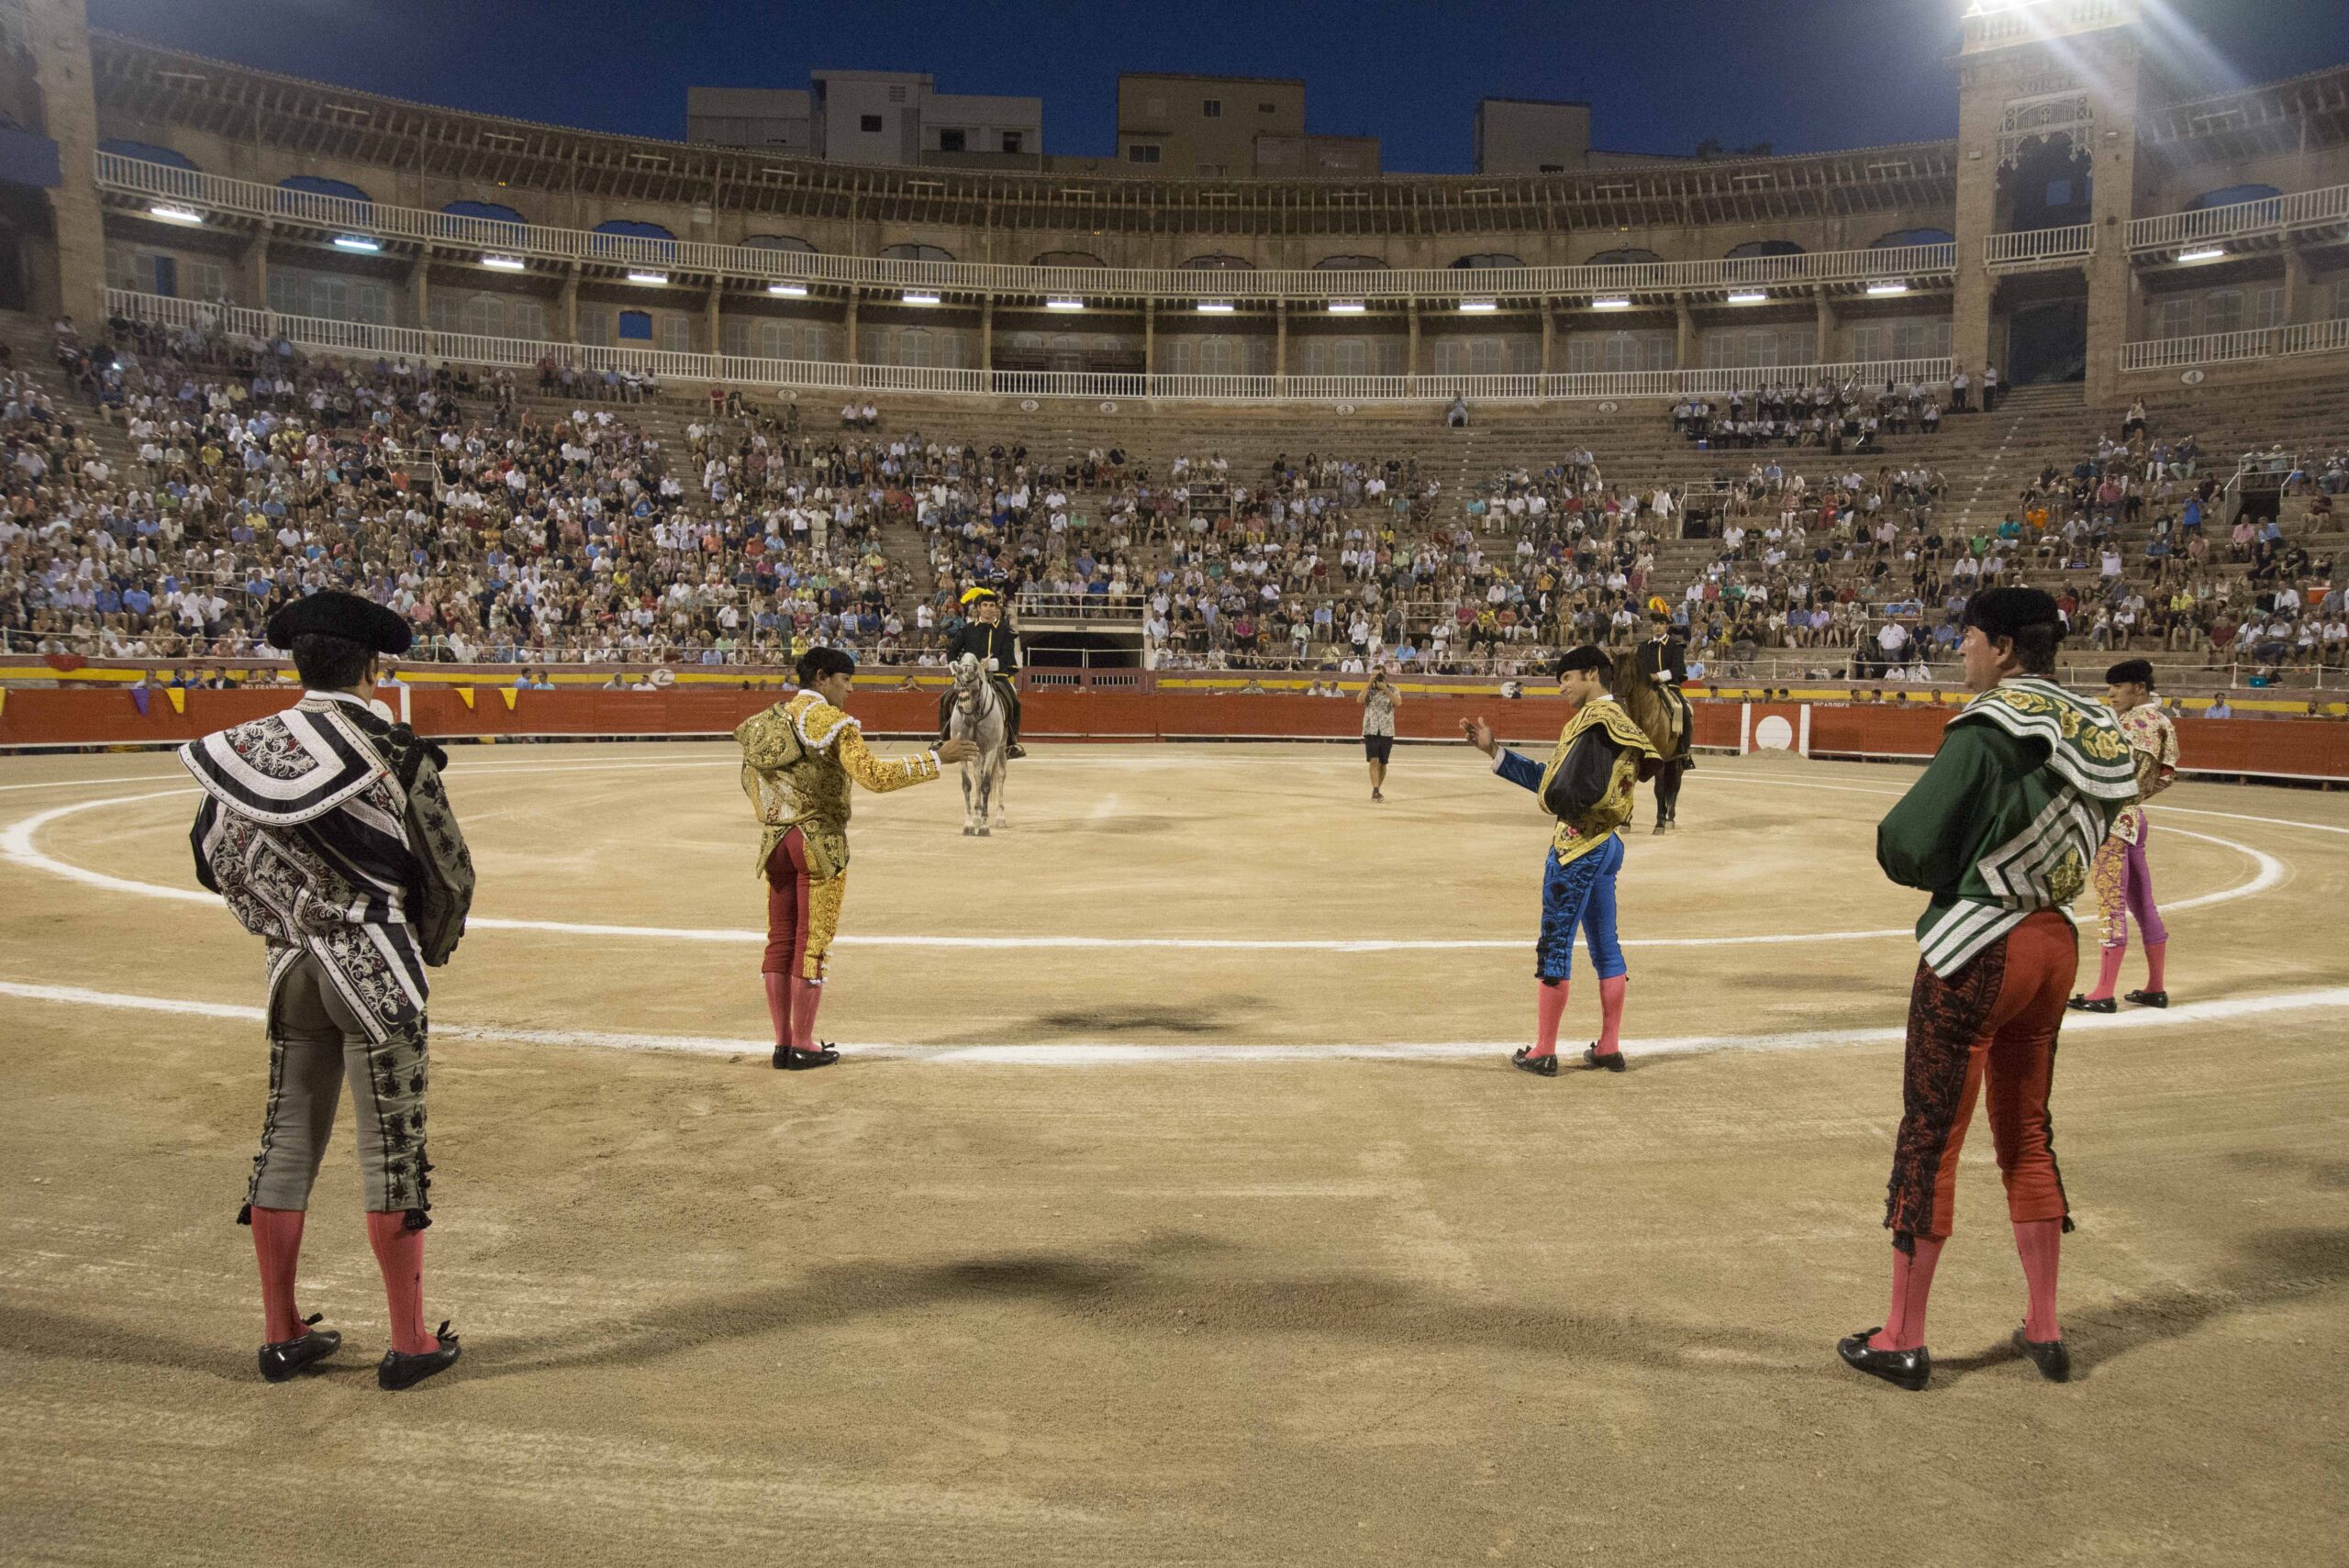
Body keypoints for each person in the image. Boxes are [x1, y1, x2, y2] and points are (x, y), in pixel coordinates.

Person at [1840, 587, 2136, 1392]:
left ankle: (1903, 1334)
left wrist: (1955, 877)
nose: (1960, 652)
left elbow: (1906, 840)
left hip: (1979, 943)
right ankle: (2044, 1324)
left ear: (2004, 648)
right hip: (2053, 943)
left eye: (1968, 638)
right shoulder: (2101, 727)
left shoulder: (1990, 724)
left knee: (1930, 1133)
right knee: (2027, 1130)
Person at [180, 590, 476, 1391]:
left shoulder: (247, 747)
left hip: (291, 971)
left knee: (285, 1140)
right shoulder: (395, 751)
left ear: (298, 661)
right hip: (375, 968)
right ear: (374, 666)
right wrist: (417, 942)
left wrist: (282, 917)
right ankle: (409, 1339)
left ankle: (282, 1333)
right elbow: (450, 874)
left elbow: (213, 856)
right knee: (392, 1151)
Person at [739, 646, 975, 1070]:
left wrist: (779, 815)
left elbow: (749, 782)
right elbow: (874, 776)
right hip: (817, 843)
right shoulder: (833, 722)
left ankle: (782, 1043)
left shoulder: (765, 721)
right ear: (822, 678)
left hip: (775, 843)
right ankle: (804, 1044)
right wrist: (937, 758)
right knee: (811, 944)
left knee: (780, 941)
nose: (850, 690)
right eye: (846, 681)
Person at [1462, 645, 1660, 1078]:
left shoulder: (1593, 723)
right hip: (1608, 843)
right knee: (1606, 947)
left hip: (1577, 846)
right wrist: (1496, 753)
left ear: (1592, 673)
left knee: (1555, 944)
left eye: (1566, 678)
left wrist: (1557, 803)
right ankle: (1609, 1047)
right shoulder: (1621, 722)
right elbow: (1558, 777)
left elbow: (1569, 791)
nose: (1562, 689)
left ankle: (1545, 1051)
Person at [2070, 659, 2180, 1012]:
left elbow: (2110, 772)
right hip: (2135, 816)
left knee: (2111, 905)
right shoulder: (2162, 721)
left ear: (2140, 689)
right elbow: (2166, 774)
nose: (2111, 694)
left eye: (2118, 687)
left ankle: (2103, 992)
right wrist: (2136, 800)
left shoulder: (2131, 723)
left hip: (2115, 821)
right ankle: (2155, 987)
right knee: (2142, 904)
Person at [937, 587, 1025, 758]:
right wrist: (956, 667)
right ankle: (942, 737)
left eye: (992, 605)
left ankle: (1011, 743)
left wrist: (990, 665)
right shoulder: (967, 630)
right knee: (945, 698)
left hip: (996, 676)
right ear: (978, 608)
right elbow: (952, 652)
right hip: (970, 677)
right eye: (985, 605)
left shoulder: (1005, 631)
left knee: (1014, 702)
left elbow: (1007, 657)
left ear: (996, 608)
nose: (988, 608)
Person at [1634, 610, 1695, 832]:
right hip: (1646, 690)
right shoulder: (1643, 647)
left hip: (1669, 687)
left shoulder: (1675, 646)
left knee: (1683, 708)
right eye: (1655, 624)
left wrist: (1657, 677)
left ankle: (1682, 750)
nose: (1657, 627)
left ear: (1667, 626)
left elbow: (1679, 670)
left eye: (1661, 624)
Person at [1359, 666, 1400, 800]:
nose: (1376, 678)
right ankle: (1376, 790)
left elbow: (1398, 703)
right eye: (1374, 675)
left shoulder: (1393, 688)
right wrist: (1369, 682)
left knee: (1383, 763)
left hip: (1386, 730)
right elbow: (1359, 700)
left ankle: (1375, 790)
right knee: (1374, 760)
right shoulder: (1368, 689)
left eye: (1379, 675)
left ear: (1385, 676)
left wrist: (1385, 689)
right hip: (1371, 728)